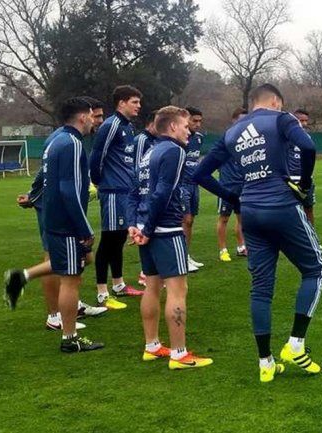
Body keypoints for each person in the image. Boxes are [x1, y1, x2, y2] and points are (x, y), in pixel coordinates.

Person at [195, 84, 322, 383]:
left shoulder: (231, 133)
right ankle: (295, 344)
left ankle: (265, 362)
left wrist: (233, 198)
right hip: (281, 204)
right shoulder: (281, 119)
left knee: (261, 288)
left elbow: (199, 174)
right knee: (316, 270)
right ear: (276, 101)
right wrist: (304, 184)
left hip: (250, 212)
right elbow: (308, 147)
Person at [6, 97, 104, 352]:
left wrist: (33, 197)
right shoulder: (71, 143)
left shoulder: (56, 140)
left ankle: (23, 276)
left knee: (78, 263)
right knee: (71, 279)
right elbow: (68, 190)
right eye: (92, 116)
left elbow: (48, 179)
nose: (94, 121)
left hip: (54, 218)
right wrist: (85, 229)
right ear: (82, 117)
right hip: (66, 221)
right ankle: (69, 338)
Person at [128, 106, 213, 369]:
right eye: (186, 126)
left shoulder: (150, 151)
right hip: (164, 229)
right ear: (173, 126)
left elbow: (133, 192)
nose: (189, 131)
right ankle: (179, 353)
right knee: (178, 290)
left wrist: (135, 225)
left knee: (152, 287)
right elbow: (162, 193)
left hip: (146, 227)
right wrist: (150, 228)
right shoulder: (174, 150)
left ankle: (152, 346)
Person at [89, 85, 145, 310]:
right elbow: (97, 155)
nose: (139, 106)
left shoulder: (127, 127)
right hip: (112, 192)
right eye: (134, 102)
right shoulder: (111, 125)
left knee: (120, 237)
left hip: (125, 191)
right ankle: (102, 293)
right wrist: (99, 181)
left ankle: (119, 284)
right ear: (121, 103)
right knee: (109, 239)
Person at [216, 108, 248, 262]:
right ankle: (223, 249)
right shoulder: (226, 139)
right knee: (224, 218)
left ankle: (241, 246)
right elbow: (214, 160)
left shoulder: (247, 140)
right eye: (240, 119)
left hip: (243, 185)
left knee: (242, 218)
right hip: (227, 186)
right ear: (234, 120)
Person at [134, 112, 158, 287]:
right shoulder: (142, 140)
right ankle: (146, 273)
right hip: (144, 196)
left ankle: (148, 273)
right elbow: (137, 169)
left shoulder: (156, 143)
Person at [181, 107, 205, 272]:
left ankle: (186, 255)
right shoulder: (181, 138)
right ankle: (181, 257)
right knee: (185, 220)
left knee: (191, 222)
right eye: (194, 121)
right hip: (182, 184)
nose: (197, 124)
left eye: (199, 121)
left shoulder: (199, 139)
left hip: (194, 184)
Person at [289, 109, 316, 224]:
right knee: (290, 211)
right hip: (291, 179)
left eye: (306, 121)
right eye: (301, 121)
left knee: (309, 209)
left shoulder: (307, 138)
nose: (304, 124)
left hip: (306, 179)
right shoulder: (287, 136)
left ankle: (312, 239)